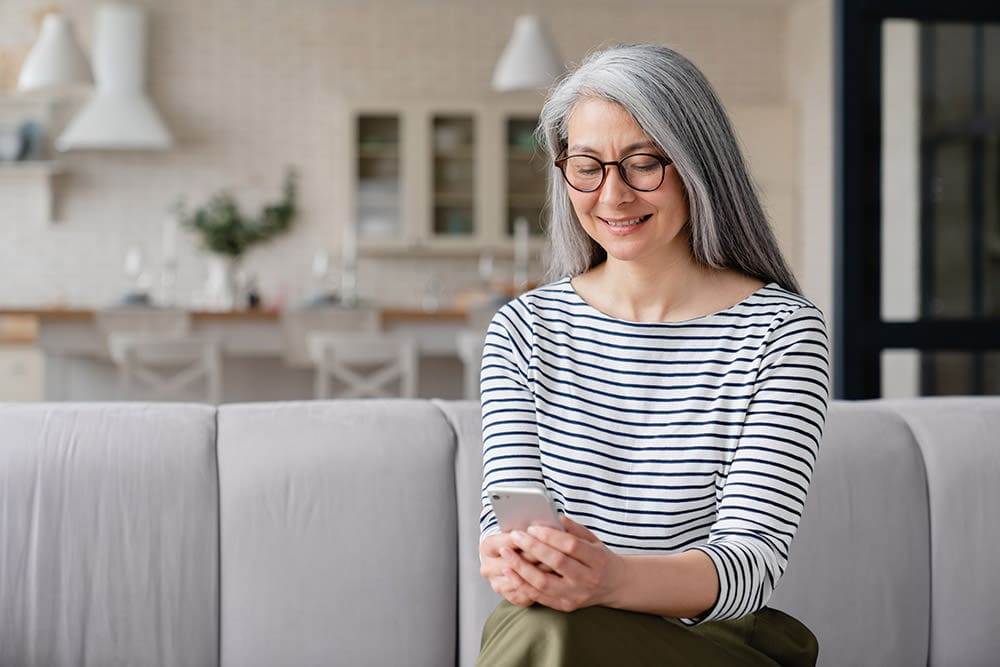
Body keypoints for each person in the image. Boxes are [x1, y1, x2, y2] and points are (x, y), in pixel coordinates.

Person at [476, 43, 830, 666]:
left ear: (699, 165)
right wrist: (510, 562)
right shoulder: (524, 330)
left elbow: (748, 566)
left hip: (712, 644)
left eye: (643, 163)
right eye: (586, 166)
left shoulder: (782, 332)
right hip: (553, 628)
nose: (611, 195)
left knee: (545, 636)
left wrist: (608, 579)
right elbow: (505, 513)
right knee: (540, 627)